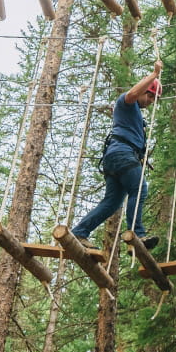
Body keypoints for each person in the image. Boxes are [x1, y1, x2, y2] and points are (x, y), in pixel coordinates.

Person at [71, 60, 164, 249]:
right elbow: (132, 94)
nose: (151, 102)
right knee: (139, 189)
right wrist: (154, 75)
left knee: (112, 202)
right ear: (144, 91)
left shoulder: (136, 115)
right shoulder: (126, 103)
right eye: (151, 96)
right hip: (122, 154)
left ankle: (79, 232)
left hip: (116, 158)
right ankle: (137, 234)